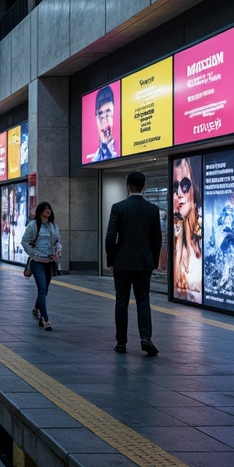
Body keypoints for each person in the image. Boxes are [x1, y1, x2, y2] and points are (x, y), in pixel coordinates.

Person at [104, 171, 163, 356]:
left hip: (122, 262)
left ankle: (121, 342)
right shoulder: (152, 209)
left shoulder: (119, 207)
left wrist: (111, 260)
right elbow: (157, 239)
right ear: (144, 186)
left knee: (121, 301)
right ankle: (146, 338)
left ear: (127, 185)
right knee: (143, 300)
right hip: (144, 263)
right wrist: (153, 262)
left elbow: (110, 237)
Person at [20, 202, 61, 331]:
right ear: (40, 211)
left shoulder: (53, 226)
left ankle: (36, 308)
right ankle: (45, 319)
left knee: (45, 289)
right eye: (45, 209)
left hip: (49, 262)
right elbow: (24, 241)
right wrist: (33, 253)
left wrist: (58, 249)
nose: (48, 211)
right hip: (37, 262)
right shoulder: (33, 225)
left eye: (49, 208)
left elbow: (57, 241)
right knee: (42, 289)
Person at [172, 158, 203, 303]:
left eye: (185, 185)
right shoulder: (176, 230)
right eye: (175, 186)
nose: (179, 193)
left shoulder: (203, 228)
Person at [86, 85, 117, 163]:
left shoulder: (120, 152)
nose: (104, 121)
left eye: (108, 114)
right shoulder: (94, 158)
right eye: (101, 116)